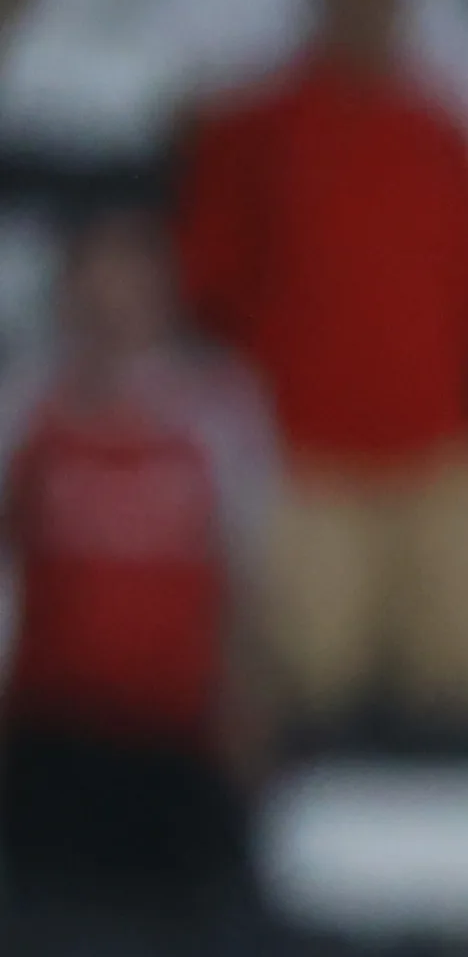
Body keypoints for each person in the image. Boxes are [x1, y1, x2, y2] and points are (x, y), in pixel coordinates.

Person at [172, 0, 468, 725]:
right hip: (305, 454)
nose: (365, 15)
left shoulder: (446, 135)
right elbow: (209, 282)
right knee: (312, 674)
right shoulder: (251, 130)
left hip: (441, 442)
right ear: (318, 5)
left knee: (458, 677)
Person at [0, 207, 275, 914]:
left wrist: (244, 707)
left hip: (173, 733)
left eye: (130, 275)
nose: (112, 297)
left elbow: (245, 569)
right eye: (96, 274)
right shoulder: (26, 401)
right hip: (51, 727)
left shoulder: (218, 405)